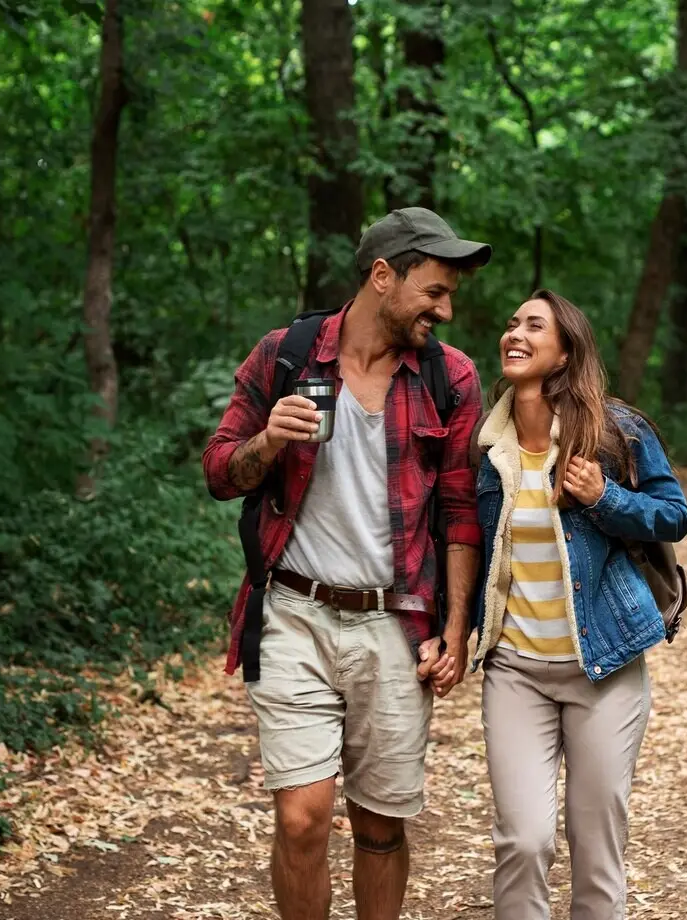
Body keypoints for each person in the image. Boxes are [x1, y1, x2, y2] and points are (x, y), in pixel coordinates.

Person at [203, 208, 490, 920]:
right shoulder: (285, 355)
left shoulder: (450, 378)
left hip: (394, 625)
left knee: (380, 824)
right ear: (382, 276)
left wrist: (456, 628)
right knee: (302, 816)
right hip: (293, 614)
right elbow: (218, 472)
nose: (445, 310)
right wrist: (268, 440)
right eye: (434, 291)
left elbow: (459, 512)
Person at [453, 289, 687, 920]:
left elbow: (674, 517)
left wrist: (604, 497)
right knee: (524, 841)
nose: (515, 333)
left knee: (596, 848)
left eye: (535, 325)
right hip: (516, 672)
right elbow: (462, 544)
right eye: (511, 323)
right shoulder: (485, 447)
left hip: (605, 668)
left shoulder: (616, 432)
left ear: (563, 355)